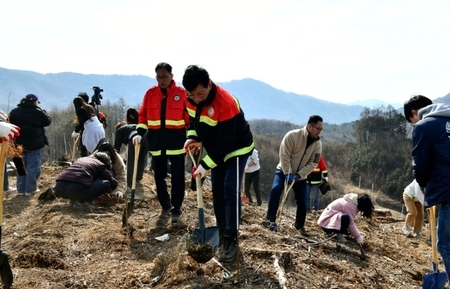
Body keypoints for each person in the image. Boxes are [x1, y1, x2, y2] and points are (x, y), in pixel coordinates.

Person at [182, 65, 254, 263]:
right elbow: (194, 122)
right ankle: (222, 232)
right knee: (217, 192)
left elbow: (226, 142)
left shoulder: (225, 102)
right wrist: (192, 137)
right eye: (192, 94)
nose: (197, 98)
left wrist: (204, 166)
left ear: (209, 84)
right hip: (216, 148)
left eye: (201, 93)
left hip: (237, 147)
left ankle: (232, 237)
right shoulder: (190, 99)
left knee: (230, 188)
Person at [132, 62, 189, 224]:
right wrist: (139, 133)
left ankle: (177, 208)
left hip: (176, 142)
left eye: (165, 77)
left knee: (178, 177)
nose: (162, 80)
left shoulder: (181, 93)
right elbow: (143, 116)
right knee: (159, 176)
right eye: (159, 77)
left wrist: (193, 137)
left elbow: (188, 118)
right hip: (156, 142)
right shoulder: (150, 94)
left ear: (172, 76)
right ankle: (165, 205)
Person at [403, 94, 450, 276]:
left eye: (412, 120)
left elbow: (420, 163)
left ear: (415, 112)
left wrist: (423, 184)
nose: (414, 124)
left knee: (445, 244)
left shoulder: (424, 126)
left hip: (447, 191)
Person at [265, 115, 323, 236]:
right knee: (276, 190)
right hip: (283, 171)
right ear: (310, 126)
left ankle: (299, 225)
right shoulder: (292, 136)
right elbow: (284, 155)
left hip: (300, 177)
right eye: (318, 128)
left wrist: (299, 175)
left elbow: (314, 162)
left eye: (321, 129)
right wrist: (287, 173)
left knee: (302, 201)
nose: (319, 132)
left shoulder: (317, 144)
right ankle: (270, 219)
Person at [8, 94, 52, 196]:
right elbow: (47, 121)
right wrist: (42, 111)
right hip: (34, 143)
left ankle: (20, 190)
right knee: (33, 167)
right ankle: (30, 189)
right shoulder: (38, 112)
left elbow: (9, 123)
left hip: (18, 143)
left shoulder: (15, 111)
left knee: (20, 166)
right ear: (35, 101)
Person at [53, 152, 119, 211]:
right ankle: (82, 203)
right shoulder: (101, 165)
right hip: (75, 190)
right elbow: (112, 182)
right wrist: (113, 190)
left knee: (80, 184)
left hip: (59, 188)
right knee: (106, 183)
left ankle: (74, 201)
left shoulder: (81, 159)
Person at [114, 108, 149, 188]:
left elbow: (116, 148)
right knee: (141, 158)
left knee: (131, 161)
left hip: (134, 138)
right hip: (146, 137)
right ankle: (138, 178)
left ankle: (129, 182)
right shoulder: (133, 126)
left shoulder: (119, 131)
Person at [0, 109, 20, 197]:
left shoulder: (15, 111)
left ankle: (20, 187)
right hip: (21, 143)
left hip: (17, 142)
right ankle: (7, 187)